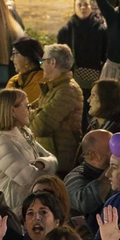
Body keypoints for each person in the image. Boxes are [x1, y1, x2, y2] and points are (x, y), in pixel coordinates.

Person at [0, 89, 56, 206]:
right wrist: (46, 169)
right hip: (12, 211)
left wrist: (41, 163)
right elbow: (28, 178)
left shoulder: (25, 134)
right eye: (27, 106)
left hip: (29, 206)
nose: (30, 111)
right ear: (12, 111)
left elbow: (54, 160)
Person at [31, 44, 85, 172]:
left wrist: (31, 114)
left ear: (52, 62)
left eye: (42, 61)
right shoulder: (53, 88)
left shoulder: (67, 90)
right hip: (50, 158)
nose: (41, 65)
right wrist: (36, 113)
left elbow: (40, 127)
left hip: (60, 162)